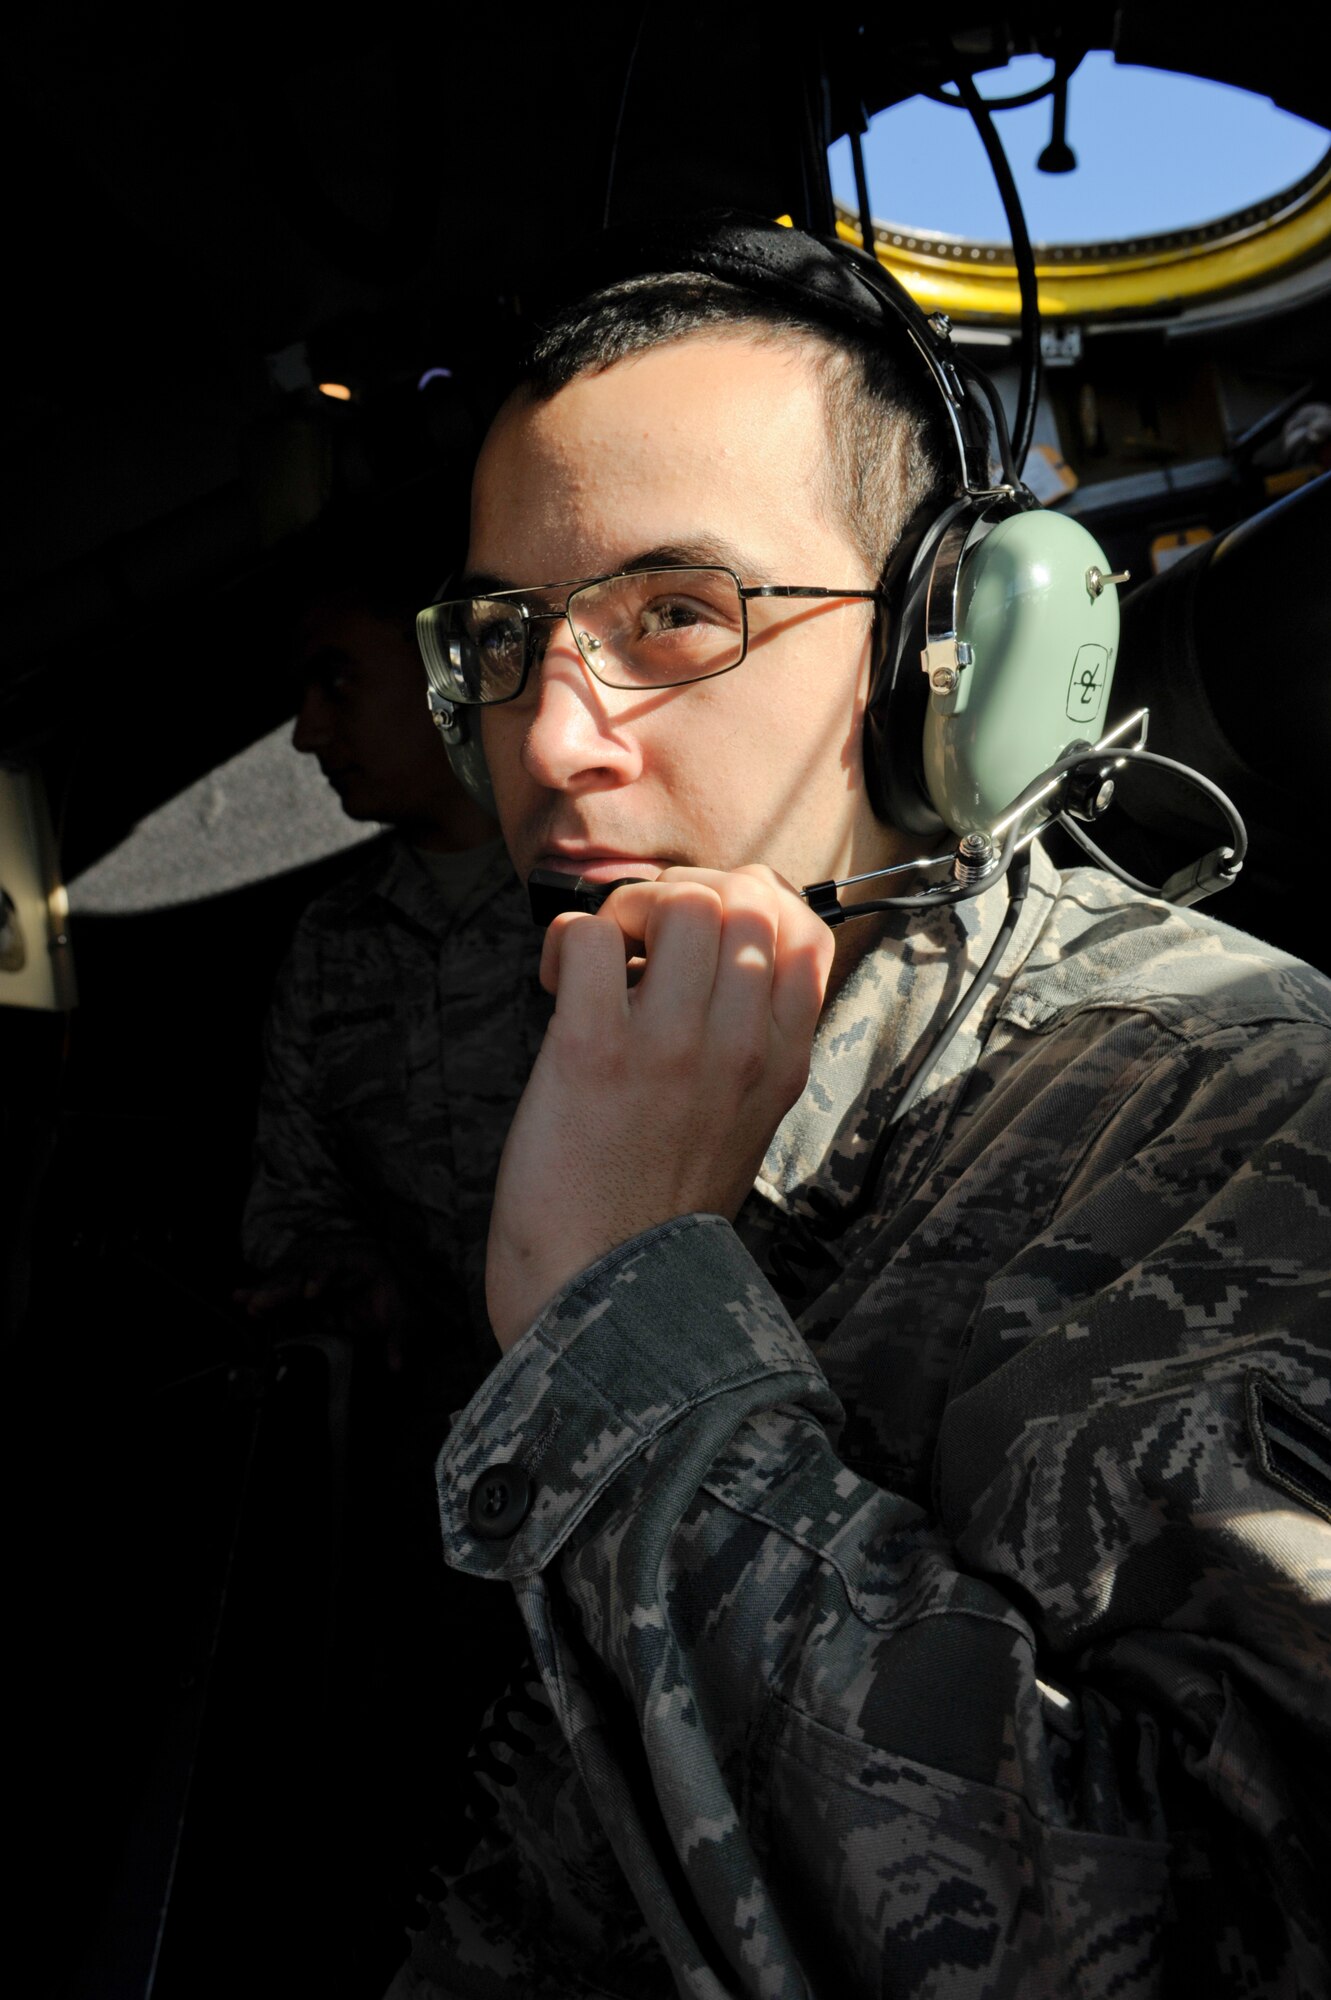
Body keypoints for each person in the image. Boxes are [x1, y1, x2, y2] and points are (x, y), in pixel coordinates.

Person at [389, 217, 1331, 1998]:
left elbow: (1191, 1945)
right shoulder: (633, 1016)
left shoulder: (1242, 1110)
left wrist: (621, 1319)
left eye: (676, 614)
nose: (551, 739)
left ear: (950, 654)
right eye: (507, 638)